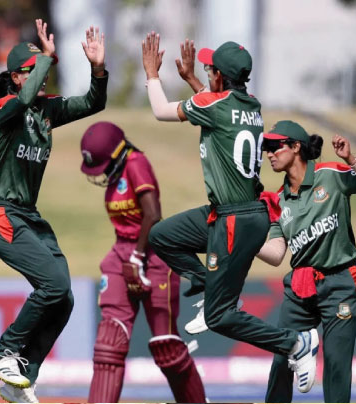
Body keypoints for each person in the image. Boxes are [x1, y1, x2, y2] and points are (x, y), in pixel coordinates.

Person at [140, 33, 320, 392]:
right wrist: (194, 81)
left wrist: (152, 74)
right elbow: (218, 108)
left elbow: (162, 110)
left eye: (210, 70)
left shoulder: (216, 103)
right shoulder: (252, 105)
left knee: (219, 317)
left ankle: (296, 344)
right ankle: (210, 285)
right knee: (162, 236)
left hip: (235, 219)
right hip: (231, 213)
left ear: (220, 77)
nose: (207, 72)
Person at [0, 19, 107, 403]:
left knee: (63, 297)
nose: (44, 77)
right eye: (34, 71)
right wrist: (47, 59)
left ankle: (21, 377)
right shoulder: (5, 108)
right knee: (53, 285)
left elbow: (93, 102)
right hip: (2, 215)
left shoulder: (46, 110)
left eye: (45, 70)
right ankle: (2, 352)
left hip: (30, 217)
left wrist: (97, 69)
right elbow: (21, 102)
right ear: (16, 77)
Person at [256, 121, 356, 402]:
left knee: (337, 363)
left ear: (296, 147)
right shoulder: (279, 199)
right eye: (266, 148)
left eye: (275, 146)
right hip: (300, 287)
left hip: (340, 283)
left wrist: (351, 159)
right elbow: (277, 254)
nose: (269, 153)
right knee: (281, 358)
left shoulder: (329, 174)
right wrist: (247, 242)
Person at [80, 121, 206, 403]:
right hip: (120, 254)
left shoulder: (136, 163)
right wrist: (128, 257)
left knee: (167, 348)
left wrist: (137, 257)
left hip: (154, 254)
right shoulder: (115, 173)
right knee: (108, 343)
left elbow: (153, 213)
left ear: (117, 154)